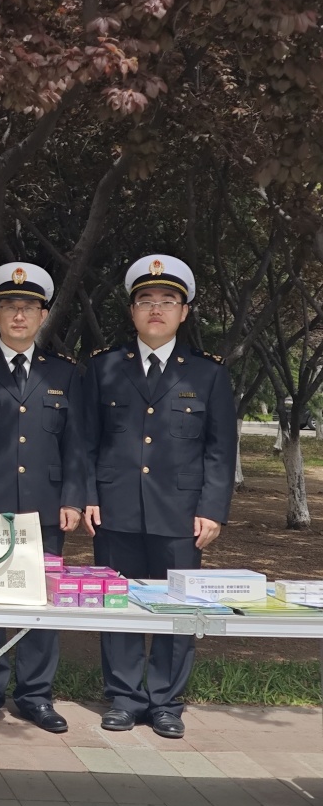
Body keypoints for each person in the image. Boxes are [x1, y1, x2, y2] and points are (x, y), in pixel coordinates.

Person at [83, 255, 236, 739]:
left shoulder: (208, 374)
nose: (156, 309)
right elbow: (86, 441)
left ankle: (167, 701)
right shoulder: (104, 367)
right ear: (132, 311)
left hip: (181, 513)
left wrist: (212, 509)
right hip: (115, 507)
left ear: (184, 312)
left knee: (179, 608)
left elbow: (220, 449)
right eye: (146, 300)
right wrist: (87, 495)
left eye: (168, 300)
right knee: (119, 605)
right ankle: (124, 697)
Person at [0, 263, 85, 733]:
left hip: (45, 509)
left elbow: (76, 444)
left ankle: (35, 696)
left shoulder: (64, 373)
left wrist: (73, 499)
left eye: (28, 307)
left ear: (43, 315)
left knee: (39, 605)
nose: (19, 315)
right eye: (10, 306)